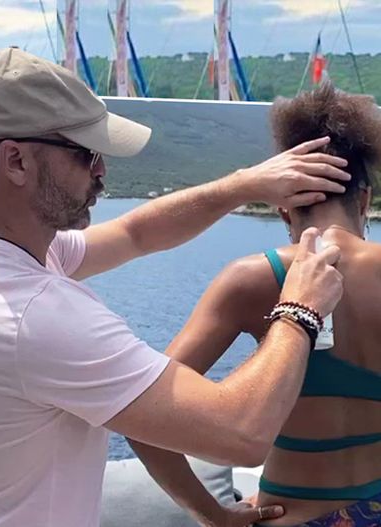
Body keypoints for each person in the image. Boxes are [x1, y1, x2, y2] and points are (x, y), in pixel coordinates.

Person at [0, 47, 350, 527]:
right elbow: (241, 433)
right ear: (16, 160)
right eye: (86, 154)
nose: (102, 171)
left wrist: (243, 185)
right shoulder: (34, 317)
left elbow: (134, 233)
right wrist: (300, 309)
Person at [130, 86, 381, 527]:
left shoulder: (252, 278)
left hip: (291, 513)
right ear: (364, 200)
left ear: (283, 208)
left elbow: (142, 418)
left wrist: (211, 513)